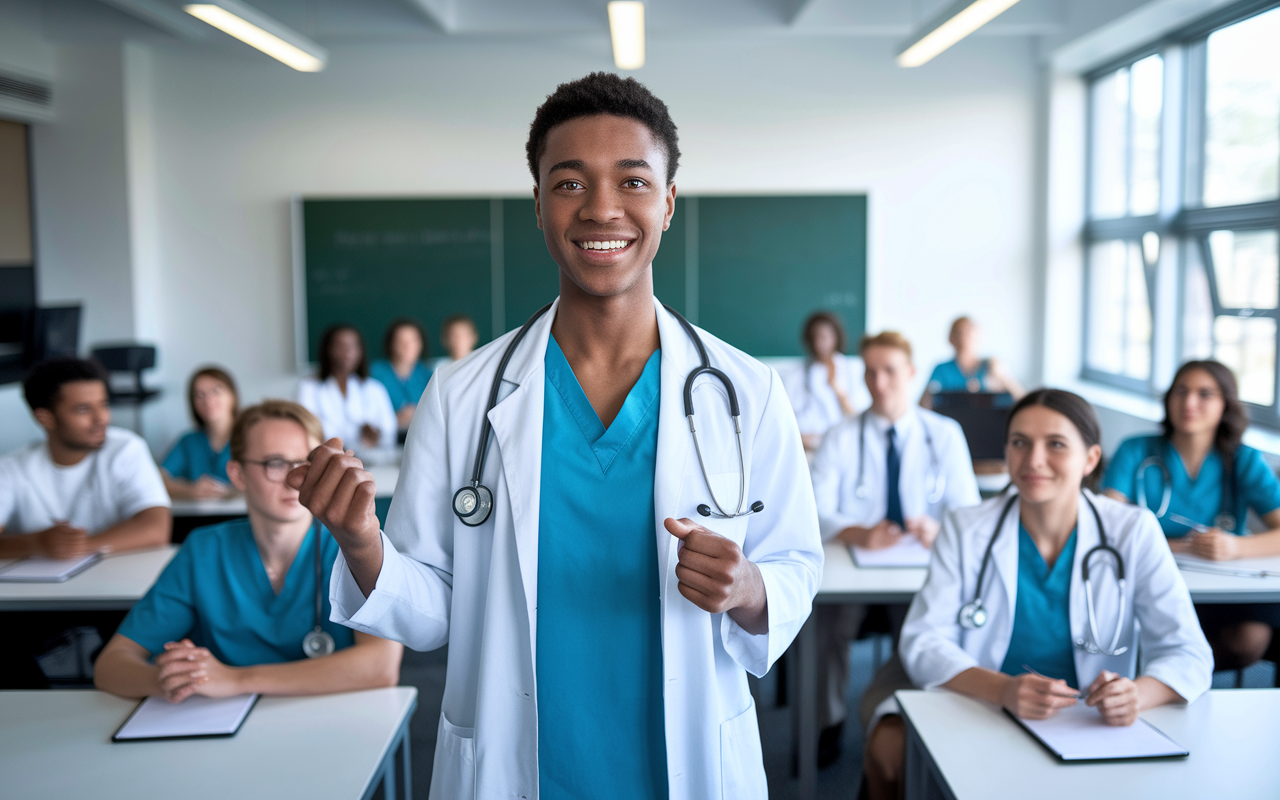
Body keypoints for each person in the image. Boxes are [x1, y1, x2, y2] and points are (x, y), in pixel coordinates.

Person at [289, 72, 822, 799]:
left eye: (633, 182)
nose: (602, 208)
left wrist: (751, 586)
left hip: (684, 763)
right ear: (538, 208)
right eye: (569, 184)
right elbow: (432, 610)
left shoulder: (745, 391)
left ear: (667, 206)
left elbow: (795, 563)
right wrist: (360, 541)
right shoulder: (462, 394)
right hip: (517, 765)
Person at [861, 389, 1212, 800]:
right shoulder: (966, 527)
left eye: (1056, 444)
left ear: (1091, 459)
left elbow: (1189, 651)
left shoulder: (1132, 531)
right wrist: (1002, 690)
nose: (1034, 460)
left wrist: (1138, 694)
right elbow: (924, 641)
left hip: (1085, 721)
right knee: (888, 753)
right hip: (982, 702)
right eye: (1020, 443)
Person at [94, 400, 403, 701]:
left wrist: (234, 680)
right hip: (226, 736)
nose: (295, 480)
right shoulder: (204, 551)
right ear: (237, 474)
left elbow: (381, 666)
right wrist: (173, 679)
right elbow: (112, 664)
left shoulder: (350, 547)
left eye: (307, 463)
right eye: (276, 464)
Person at [808, 330, 979, 766]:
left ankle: (916, 723)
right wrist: (857, 533)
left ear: (911, 373)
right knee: (825, 621)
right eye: (869, 372)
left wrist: (940, 529)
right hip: (854, 562)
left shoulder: (944, 433)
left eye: (889, 372)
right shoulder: (841, 435)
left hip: (920, 567)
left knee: (930, 630)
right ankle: (828, 721)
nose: (878, 383)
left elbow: (969, 511)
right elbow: (817, 506)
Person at [1103, 360, 1280, 671]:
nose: (1189, 402)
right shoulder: (1135, 451)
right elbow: (1104, 525)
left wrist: (1236, 547)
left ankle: (1171, 678)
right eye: (1181, 392)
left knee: (1249, 639)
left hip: (1222, 587)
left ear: (1226, 404)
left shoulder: (1243, 460)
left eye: (1205, 394)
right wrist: (1179, 546)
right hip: (1149, 577)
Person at [0, 358, 171, 559]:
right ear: (45, 418)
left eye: (104, 405)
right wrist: (36, 543)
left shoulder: (125, 448)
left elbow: (156, 529)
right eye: (84, 409)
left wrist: (77, 547)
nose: (101, 418)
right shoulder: (12, 468)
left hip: (116, 583)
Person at [298, 324, 397, 451]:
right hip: (324, 461)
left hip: (370, 463)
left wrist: (376, 434)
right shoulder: (308, 387)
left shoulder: (374, 388)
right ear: (327, 349)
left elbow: (389, 431)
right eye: (340, 346)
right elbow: (307, 430)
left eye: (354, 346)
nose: (348, 352)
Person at [783, 311, 869, 453]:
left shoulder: (852, 370)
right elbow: (786, 420)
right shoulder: (796, 375)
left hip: (842, 446)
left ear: (836, 338)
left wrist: (835, 386)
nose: (819, 343)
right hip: (805, 447)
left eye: (824, 337)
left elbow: (857, 417)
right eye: (815, 337)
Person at [161, 366, 239, 500]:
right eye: (200, 395)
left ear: (232, 395)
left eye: (216, 391)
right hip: (199, 517)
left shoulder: (252, 438)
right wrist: (190, 490)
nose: (208, 400)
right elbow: (159, 479)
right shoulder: (189, 442)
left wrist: (231, 492)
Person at [921, 316, 1024, 406]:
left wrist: (1003, 376)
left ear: (979, 337)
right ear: (951, 339)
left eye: (970, 332)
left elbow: (1021, 399)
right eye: (960, 333)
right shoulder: (942, 370)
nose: (965, 337)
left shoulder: (991, 367)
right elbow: (923, 406)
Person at [370, 319, 432, 434]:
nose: (407, 346)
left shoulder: (429, 375)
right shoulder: (373, 374)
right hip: (382, 444)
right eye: (400, 341)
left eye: (413, 341)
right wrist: (393, 420)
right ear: (390, 344)